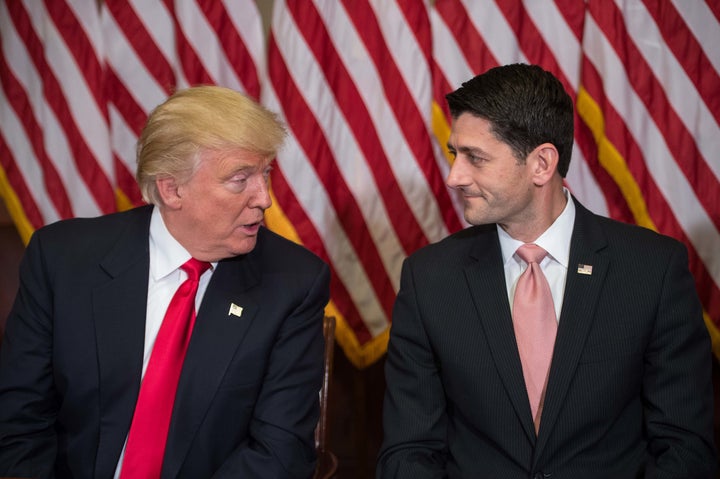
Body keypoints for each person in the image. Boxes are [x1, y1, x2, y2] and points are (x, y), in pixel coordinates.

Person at [377, 64, 716, 478]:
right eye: (454, 154)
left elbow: (684, 447)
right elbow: (409, 452)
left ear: (541, 164)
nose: (453, 177)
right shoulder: (428, 279)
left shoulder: (652, 270)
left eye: (475, 158)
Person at [0, 86, 330, 479]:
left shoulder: (293, 283)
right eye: (241, 179)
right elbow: (20, 420)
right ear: (172, 189)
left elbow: (280, 454)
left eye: (266, 173)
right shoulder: (63, 259)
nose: (265, 198)